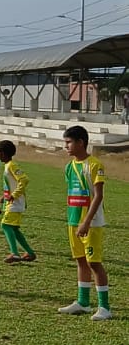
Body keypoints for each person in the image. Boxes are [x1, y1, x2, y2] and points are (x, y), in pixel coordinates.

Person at [58, 125, 112, 320]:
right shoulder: (69, 167)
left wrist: (87, 221)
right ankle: (83, 302)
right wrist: (74, 220)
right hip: (73, 220)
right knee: (80, 260)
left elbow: (98, 195)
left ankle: (104, 307)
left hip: (91, 223)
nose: (66, 146)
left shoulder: (95, 165)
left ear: (81, 142)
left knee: (94, 262)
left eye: (69, 142)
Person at [0, 140, 36, 264]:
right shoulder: (8, 166)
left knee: (5, 225)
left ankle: (15, 253)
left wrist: (14, 195)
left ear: (3, 153)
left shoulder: (12, 165)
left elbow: (24, 180)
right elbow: (12, 184)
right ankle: (29, 253)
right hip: (13, 202)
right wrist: (4, 196)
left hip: (15, 203)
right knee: (14, 228)